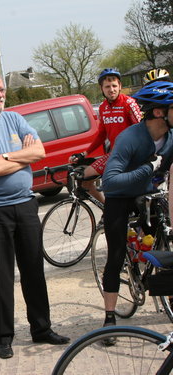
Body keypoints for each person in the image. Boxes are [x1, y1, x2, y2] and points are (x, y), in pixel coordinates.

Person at [0, 71, 70, 360]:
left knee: (34, 268)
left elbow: (40, 151)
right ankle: (4, 337)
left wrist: (4, 158)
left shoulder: (15, 119)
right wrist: (20, 157)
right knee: (2, 274)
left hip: (25, 204)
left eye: (1, 89)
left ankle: (42, 328)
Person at [101, 80, 173, 345]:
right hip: (120, 197)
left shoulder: (171, 137)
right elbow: (109, 182)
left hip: (150, 195)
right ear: (159, 112)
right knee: (117, 253)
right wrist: (148, 168)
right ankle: (109, 317)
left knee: (164, 242)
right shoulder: (130, 138)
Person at [69, 68, 142, 204]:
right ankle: (108, 209)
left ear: (120, 86)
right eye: (107, 87)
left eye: (114, 86)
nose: (111, 89)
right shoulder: (103, 107)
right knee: (85, 178)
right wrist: (84, 153)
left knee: (116, 187)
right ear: (101, 88)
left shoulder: (128, 103)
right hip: (114, 154)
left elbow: (142, 129)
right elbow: (102, 134)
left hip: (131, 155)